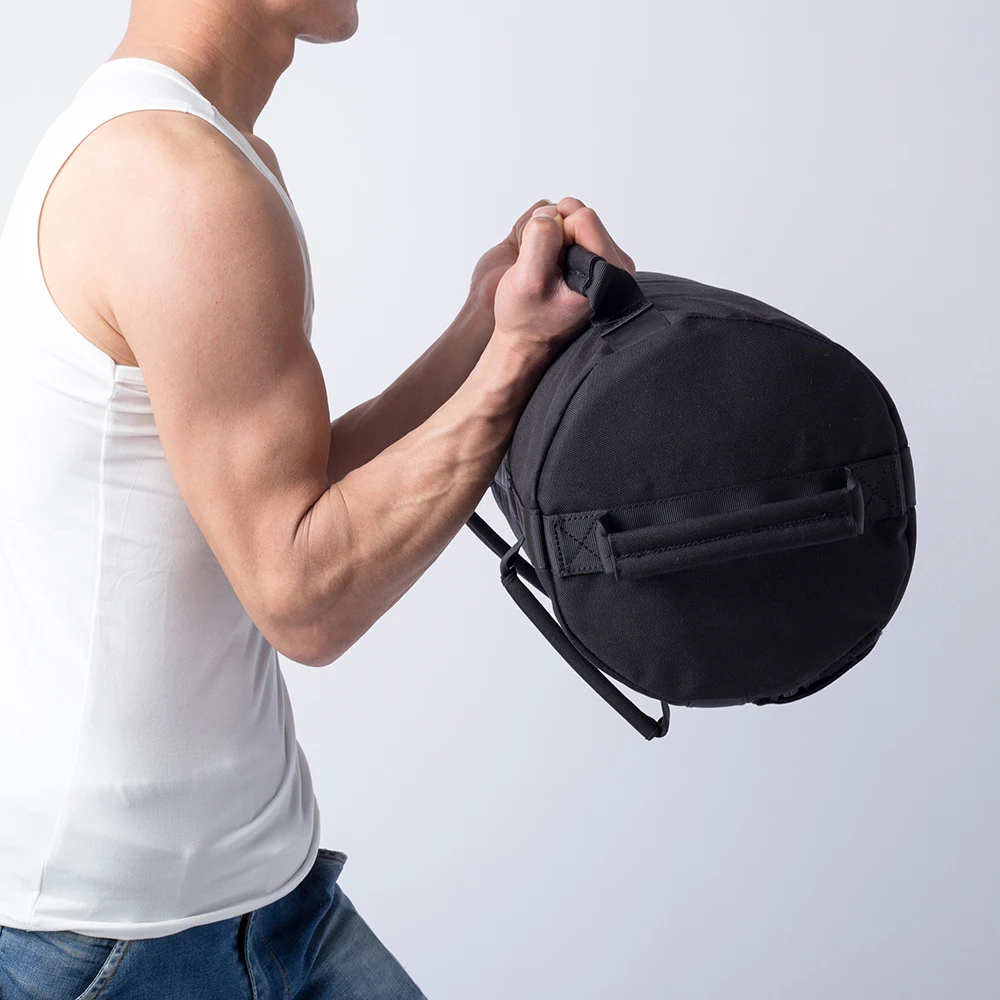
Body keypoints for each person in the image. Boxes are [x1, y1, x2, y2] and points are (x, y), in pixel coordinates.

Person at [0, 0, 636, 996]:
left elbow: (299, 488)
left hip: (266, 888)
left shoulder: (199, 150)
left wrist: (485, 324)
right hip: (118, 938)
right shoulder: (175, 182)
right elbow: (303, 596)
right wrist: (514, 366)